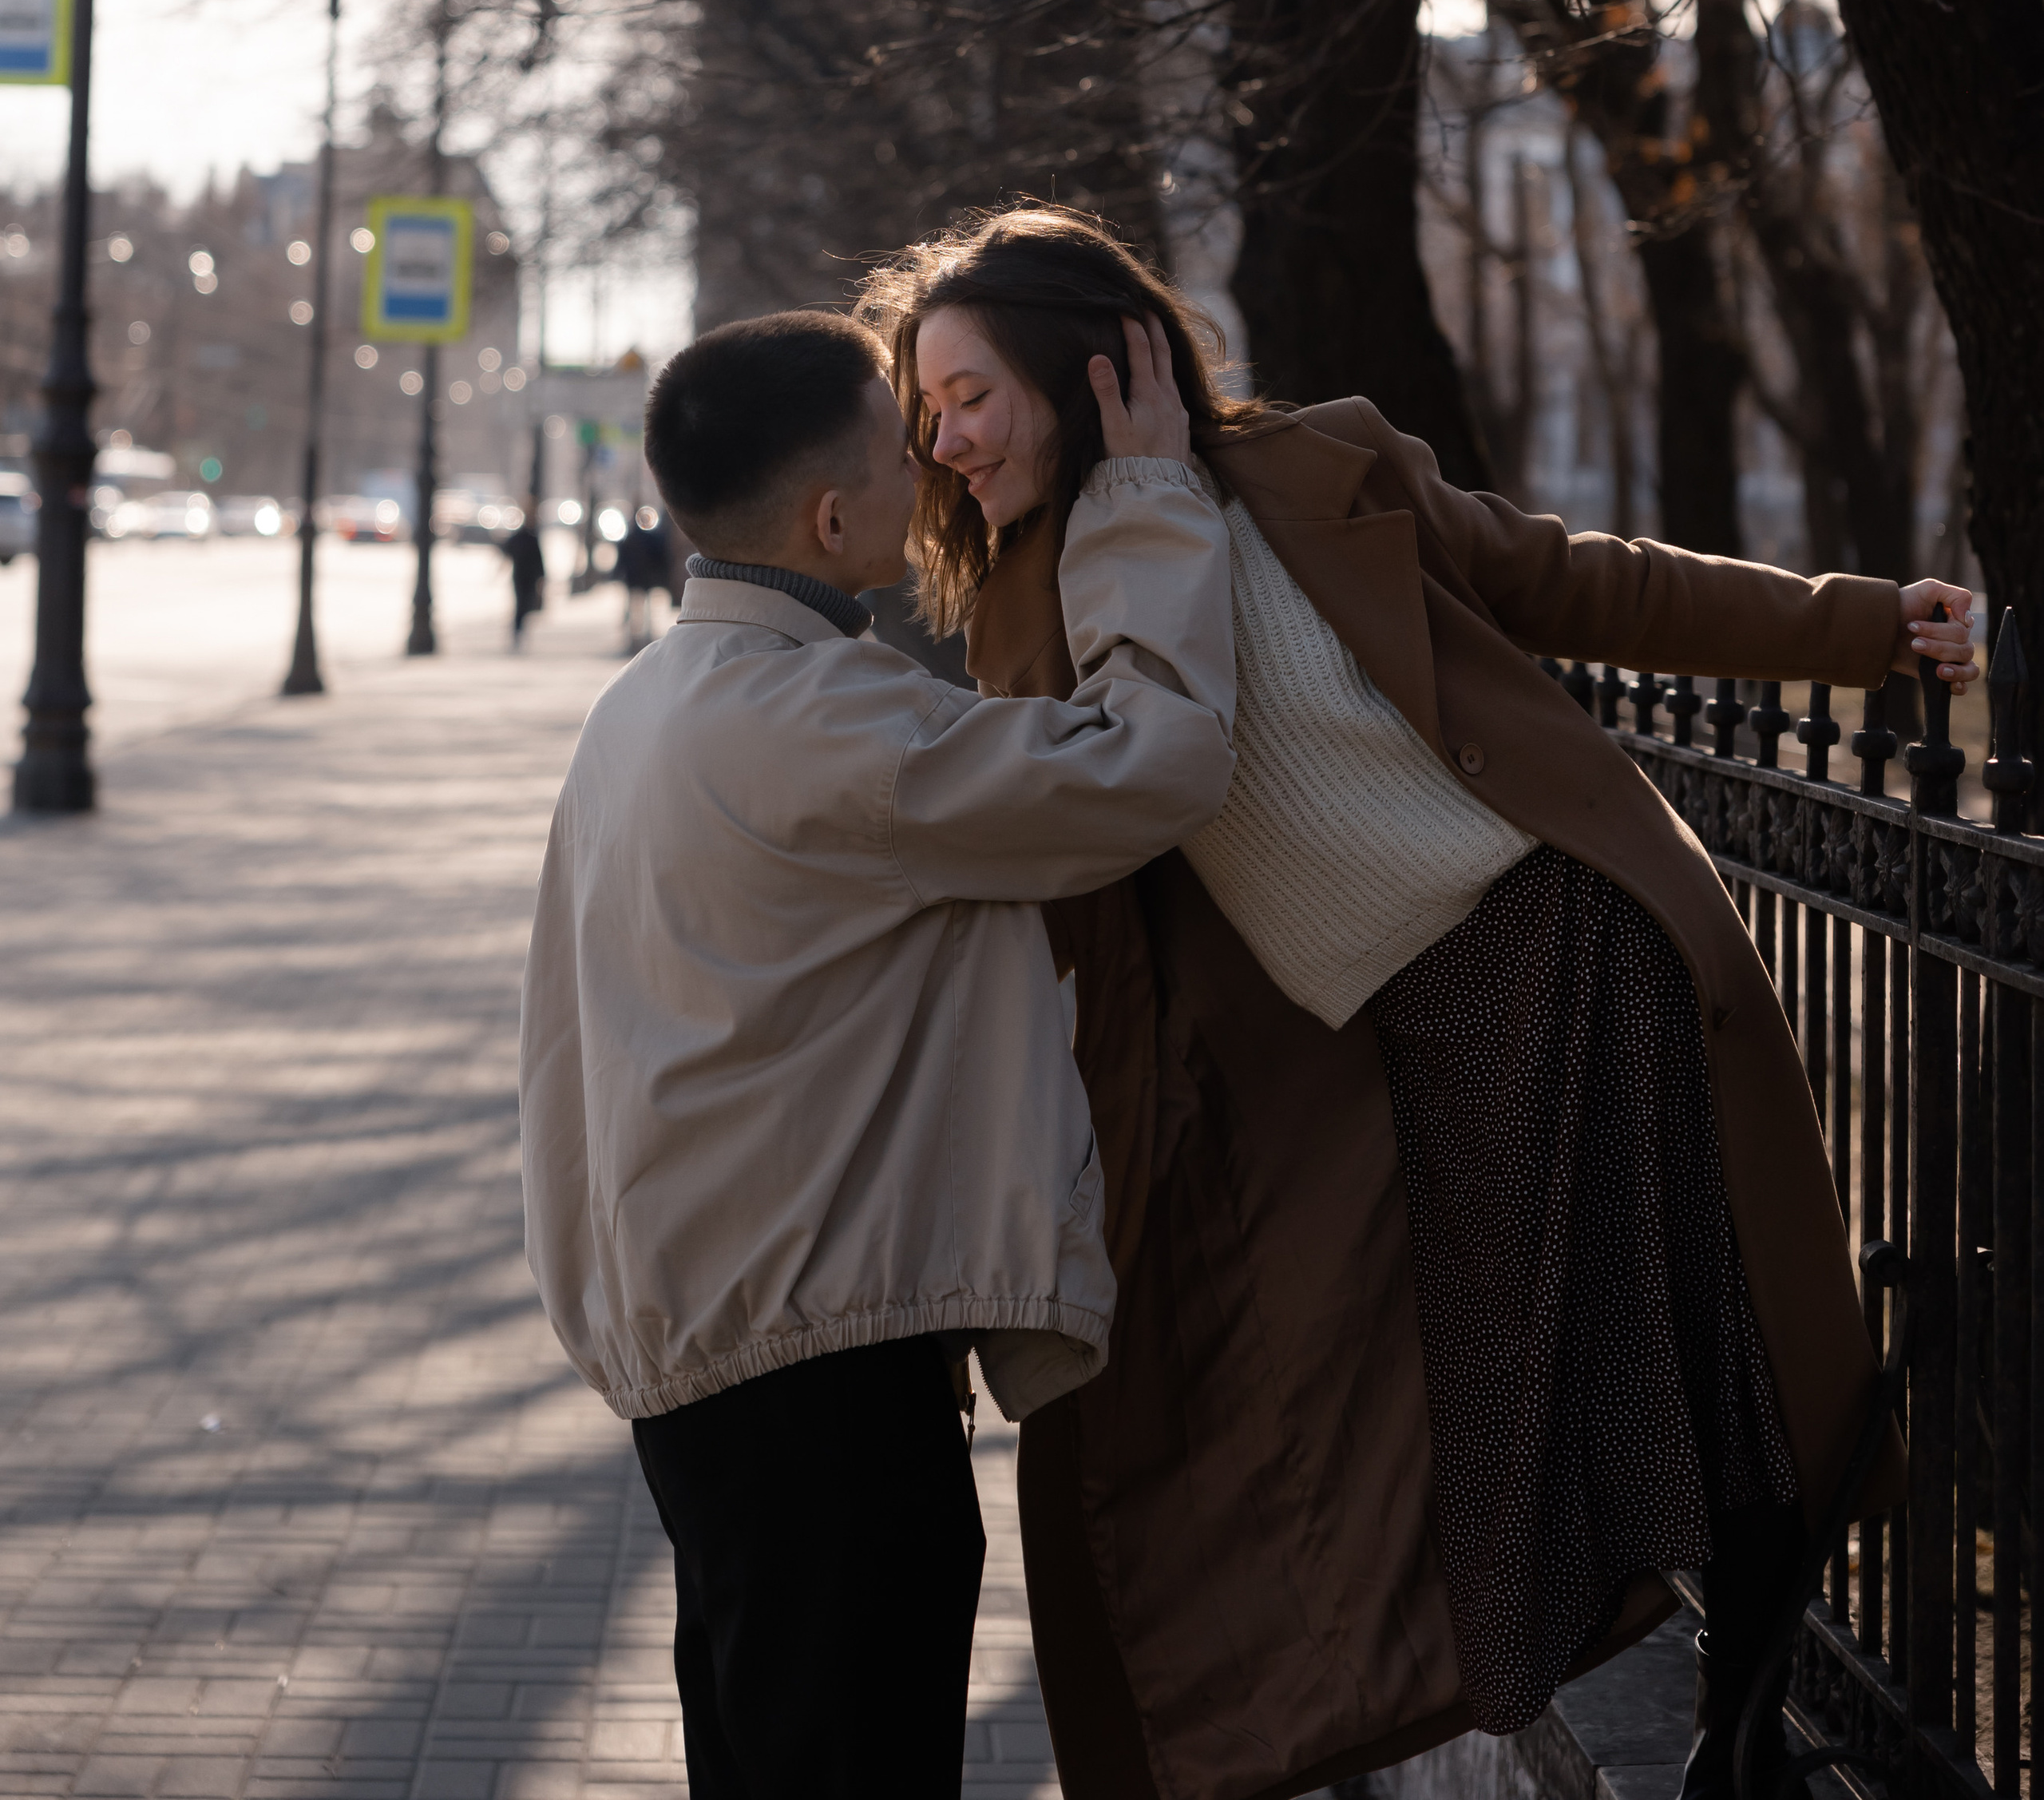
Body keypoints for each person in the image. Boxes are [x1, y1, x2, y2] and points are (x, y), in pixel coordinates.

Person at [857, 205, 1979, 1800]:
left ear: (1087, 362)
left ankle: (1743, 1732)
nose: (942, 437)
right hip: (1401, 1059)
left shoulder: (1321, 466)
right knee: (1510, 1430)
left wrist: (1854, 624)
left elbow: (1573, 581)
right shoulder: (1022, 610)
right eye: (925, 411)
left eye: (966, 394)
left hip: (1575, 954)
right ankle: (1586, 1715)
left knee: (1707, 1363)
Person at [517, 307, 1238, 1800]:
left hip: (706, 1350)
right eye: (902, 454)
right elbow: (1149, 763)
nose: (933, 473)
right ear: (833, 517)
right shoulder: (829, 723)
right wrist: (1155, 500)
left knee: (767, 1745)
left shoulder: (639, 707)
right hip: (820, 1386)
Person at [613, 501, 674, 650]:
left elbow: (622, 560)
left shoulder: (629, 538)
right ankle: (642, 637)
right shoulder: (650, 537)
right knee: (642, 611)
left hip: (635, 579)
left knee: (637, 611)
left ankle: (635, 639)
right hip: (642, 579)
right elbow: (660, 557)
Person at [502, 498, 546, 651]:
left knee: (523, 604)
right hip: (523, 576)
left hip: (524, 576)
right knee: (522, 604)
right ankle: (518, 631)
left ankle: (518, 631)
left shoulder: (526, 537)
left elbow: (507, 550)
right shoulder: (526, 537)